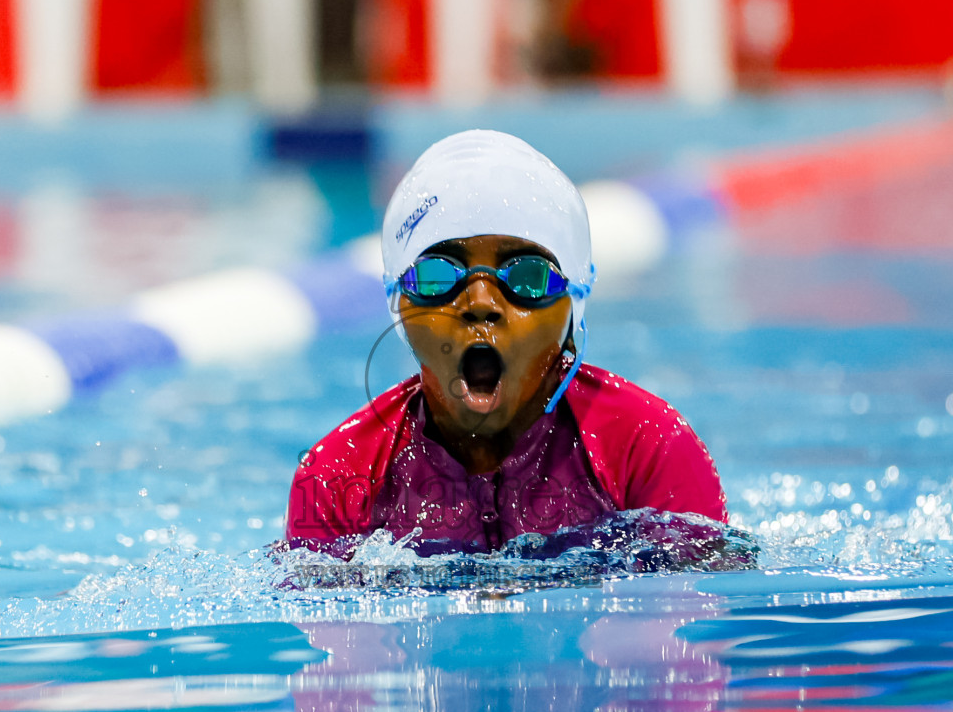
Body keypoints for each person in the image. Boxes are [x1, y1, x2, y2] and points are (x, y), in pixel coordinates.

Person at [285, 130, 728, 556]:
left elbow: (697, 615)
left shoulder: (645, 448)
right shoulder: (338, 476)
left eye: (526, 276)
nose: (480, 304)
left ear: (575, 300)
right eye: (438, 276)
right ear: (396, 303)